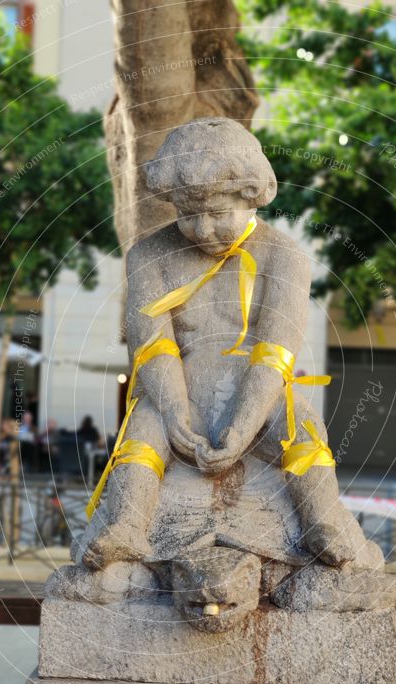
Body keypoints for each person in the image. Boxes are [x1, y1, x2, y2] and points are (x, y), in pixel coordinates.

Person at [80, 118, 364, 570]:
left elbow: (276, 349)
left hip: (258, 389)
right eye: (189, 214)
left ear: (252, 198)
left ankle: (321, 522)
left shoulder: (284, 257)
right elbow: (153, 346)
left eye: (217, 212)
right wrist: (175, 412)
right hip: (179, 387)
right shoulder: (149, 255)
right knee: (143, 431)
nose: (203, 228)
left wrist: (245, 424)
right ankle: (129, 525)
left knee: (303, 430)